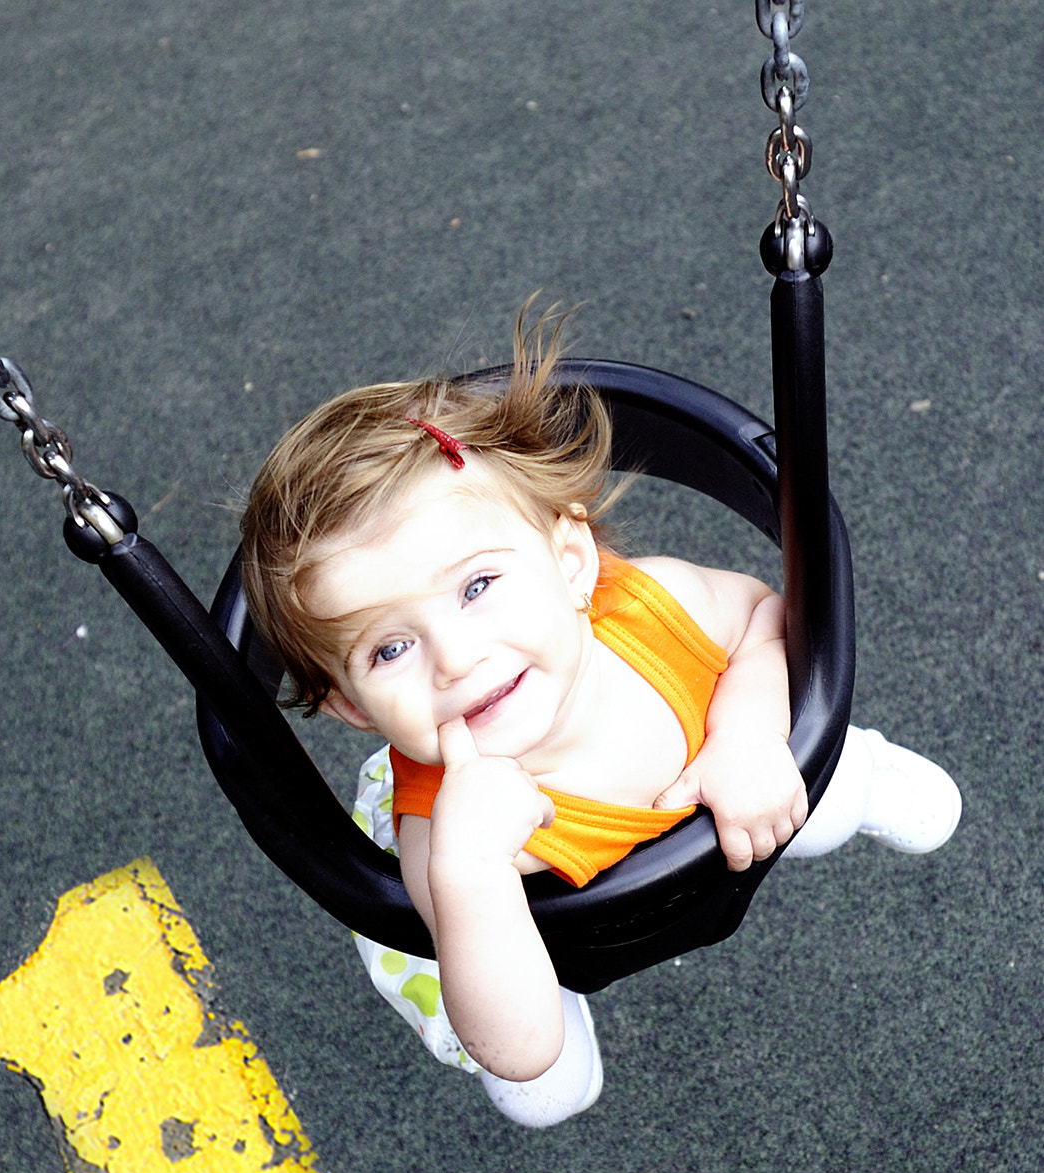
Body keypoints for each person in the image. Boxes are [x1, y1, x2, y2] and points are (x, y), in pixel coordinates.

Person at [239, 316, 961, 1128]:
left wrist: (748, 737)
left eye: (476, 587)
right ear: (348, 707)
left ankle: (855, 774)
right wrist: (472, 870)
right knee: (524, 1064)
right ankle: (551, 1000)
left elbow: (766, 619)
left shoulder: (649, 609)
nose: (456, 657)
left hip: (728, 773)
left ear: (573, 564)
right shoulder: (446, 824)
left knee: (803, 781)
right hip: (556, 938)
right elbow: (516, 1041)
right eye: (390, 648)